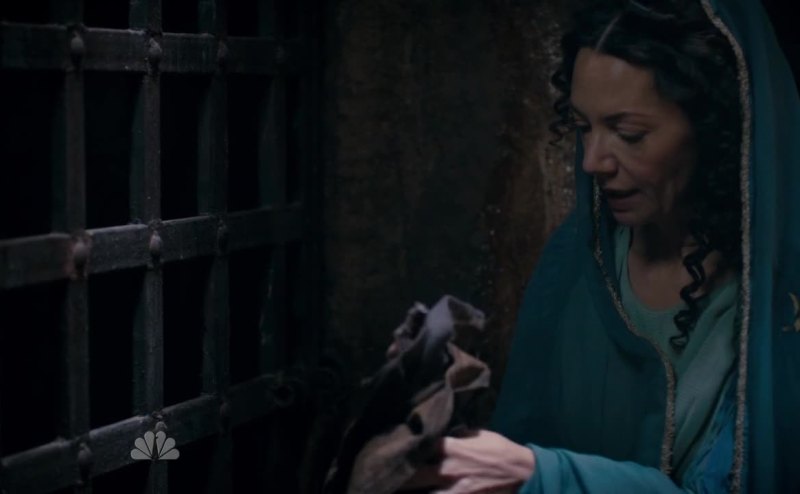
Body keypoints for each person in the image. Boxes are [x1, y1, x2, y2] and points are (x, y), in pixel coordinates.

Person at [400, 0, 800, 492]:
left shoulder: (777, 298)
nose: (593, 162)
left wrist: (543, 475)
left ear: (715, 129)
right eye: (582, 127)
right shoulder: (577, 260)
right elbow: (525, 428)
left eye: (628, 134)